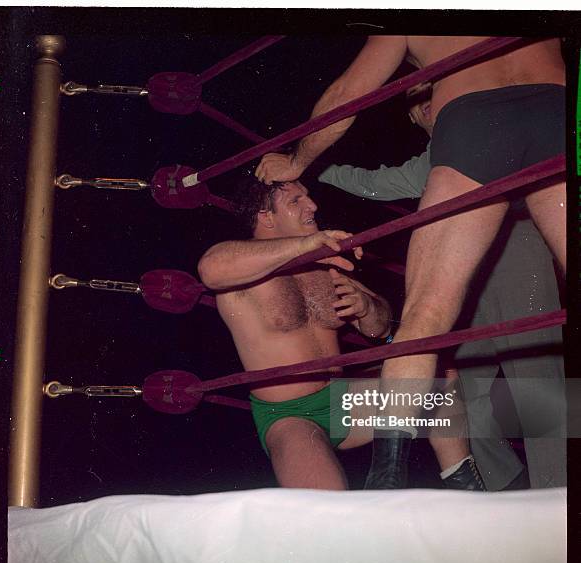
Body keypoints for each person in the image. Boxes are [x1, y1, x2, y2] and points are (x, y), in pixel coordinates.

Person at [255, 36, 566, 489]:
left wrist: (297, 161)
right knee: (468, 377)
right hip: (556, 111)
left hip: (478, 135)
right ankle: (486, 482)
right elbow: (375, 181)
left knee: (431, 320)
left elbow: (345, 96)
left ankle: (391, 483)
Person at [198, 178, 483, 490]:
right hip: (290, 417)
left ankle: (463, 483)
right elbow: (210, 269)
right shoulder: (240, 268)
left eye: (308, 196)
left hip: (343, 401)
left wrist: (367, 308)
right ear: (266, 217)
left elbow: (380, 328)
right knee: (331, 514)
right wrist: (305, 245)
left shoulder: (322, 265)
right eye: (296, 201)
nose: (313, 205)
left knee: (437, 372)